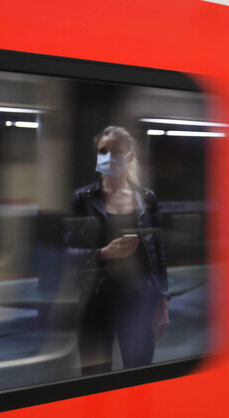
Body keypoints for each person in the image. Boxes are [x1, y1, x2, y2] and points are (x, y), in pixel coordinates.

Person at [63, 125, 170, 375]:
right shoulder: (82, 199)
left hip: (139, 301)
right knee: (95, 380)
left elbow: (159, 253)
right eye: (103, 151)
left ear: (130, 155)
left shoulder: (146, 198)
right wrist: (103, 253)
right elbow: (66, 253)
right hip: (94, 300)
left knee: (139, 376)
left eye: (117, 152)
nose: (109, 158)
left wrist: (162, 302)